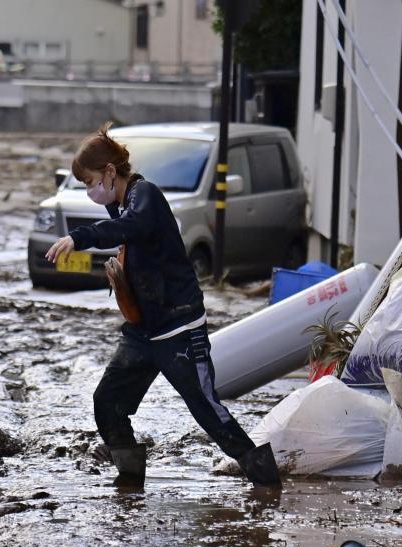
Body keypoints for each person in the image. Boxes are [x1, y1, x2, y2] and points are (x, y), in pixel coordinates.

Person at [46, 123, 279, 488]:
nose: (90, 191)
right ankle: (130, 481)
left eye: (91, 182)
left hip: (180, 330)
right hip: (143, 332)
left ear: (110, 171)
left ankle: (266, 481)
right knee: (107, 401)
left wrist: (78, 238)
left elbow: (129, 228)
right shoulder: (121, 205)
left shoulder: (145, 196)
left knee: (207, 410)